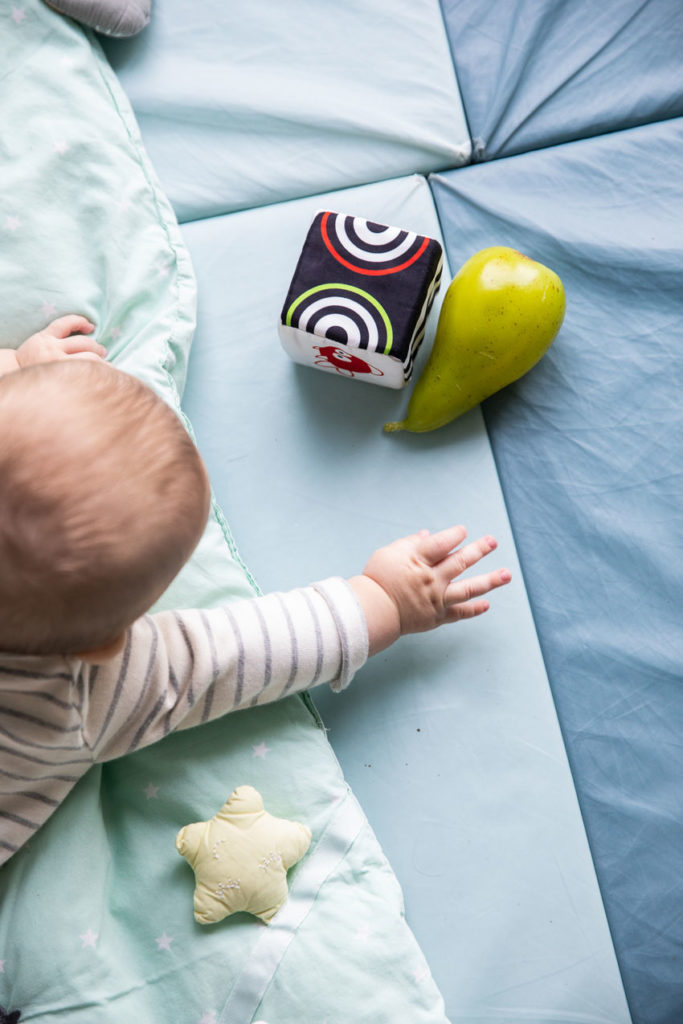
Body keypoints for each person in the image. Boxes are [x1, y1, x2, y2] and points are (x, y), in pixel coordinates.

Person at [0, 317, 511, 865]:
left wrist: (17, 373)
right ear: (101, 646)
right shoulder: (80, 693)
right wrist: (387, 598)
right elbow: (245, 650)